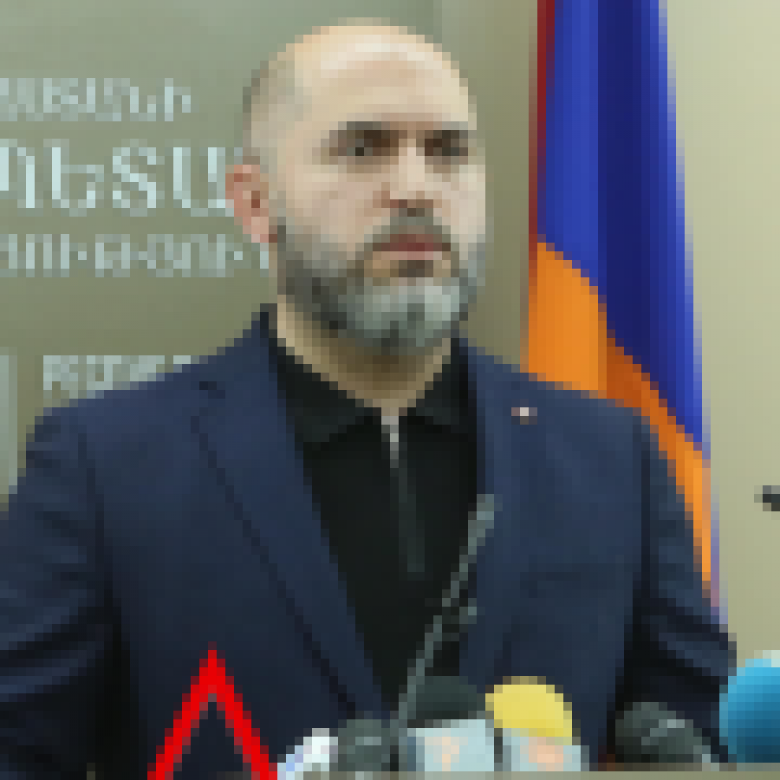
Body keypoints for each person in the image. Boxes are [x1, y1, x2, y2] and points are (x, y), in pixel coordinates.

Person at [0, 19, 735, 779]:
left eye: (448, 150)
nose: (415, 187)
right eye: (361, 148)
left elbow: (699, 740)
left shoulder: (610, 459)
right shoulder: (105, 468)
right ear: (255, 203)